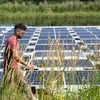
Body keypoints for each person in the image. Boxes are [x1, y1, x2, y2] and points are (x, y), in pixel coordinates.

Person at [3, 23, 38, 100]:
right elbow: (15, 56)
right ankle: (33, 99)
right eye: (22, 33)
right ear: (17, 32)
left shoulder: (12, 39)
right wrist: (27, 64)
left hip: (13, 67)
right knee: (23, 85)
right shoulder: (12, 41)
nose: (23, 34)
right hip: (12, 69)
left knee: (9, 87)